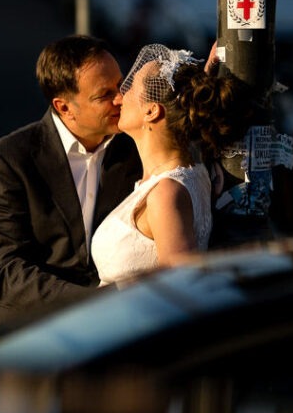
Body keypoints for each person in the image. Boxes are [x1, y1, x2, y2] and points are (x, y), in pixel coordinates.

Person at [0, 34, 143, 336]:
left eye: (122, 85)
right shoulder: (9, 160)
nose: (120, 98)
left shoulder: (136, 147)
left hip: (108, 341)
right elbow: (4, 272)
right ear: (64, 107)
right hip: (24, 338)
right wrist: (98, 302)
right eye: (104, 94)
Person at [90, 43, 257, 287]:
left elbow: (183, 287)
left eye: (130, 87)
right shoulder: (192, 169)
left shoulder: (166, 194)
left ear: (151, 111)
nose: (118, 98)